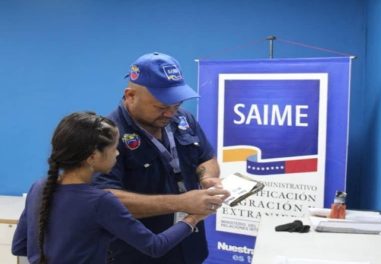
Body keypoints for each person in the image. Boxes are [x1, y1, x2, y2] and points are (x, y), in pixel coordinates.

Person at [12, 112, 210, 264]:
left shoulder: (38, 188)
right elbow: (154, 246)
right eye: (113, 148)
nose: (117, 154)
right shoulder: (101, 201)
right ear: (92, 157)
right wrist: (193, 218)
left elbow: (20, 246)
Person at [92, 52, 229, 263]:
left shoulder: (184, 119)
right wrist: (180, 202)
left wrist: (207, 178)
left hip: (189, 246)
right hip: (138, 253)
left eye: (176, 104)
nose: (171, 113)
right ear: (130, 96)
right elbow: (106, 201)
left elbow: (206, 157)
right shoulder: (106, 135)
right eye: (162, 107)